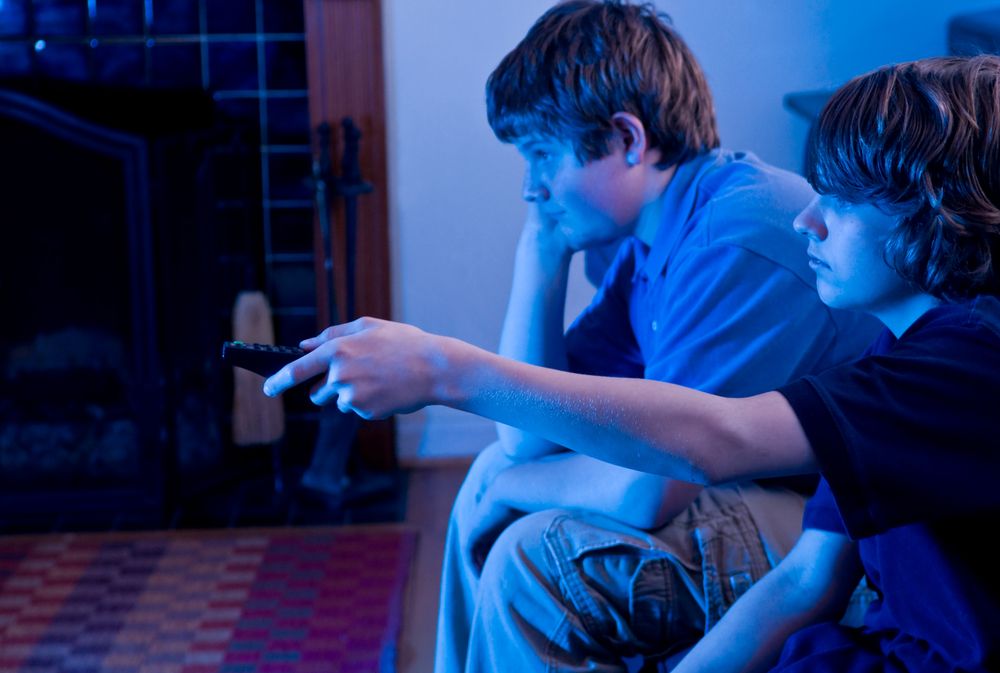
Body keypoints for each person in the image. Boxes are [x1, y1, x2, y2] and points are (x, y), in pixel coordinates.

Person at [265, 54, 1000, 672]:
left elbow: (717, 444)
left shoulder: (963, 358)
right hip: (848, 625)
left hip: (839, 592)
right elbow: (808, 576)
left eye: (839, 201)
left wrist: (444, 369)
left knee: (532, 547)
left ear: (934, 210)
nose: (810, 217)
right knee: (493, 479)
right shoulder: (894, 345)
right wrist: (539, 251)